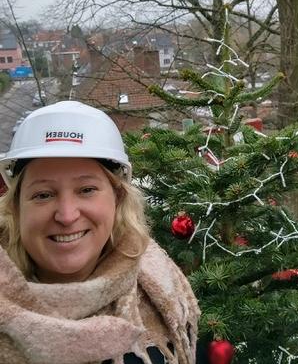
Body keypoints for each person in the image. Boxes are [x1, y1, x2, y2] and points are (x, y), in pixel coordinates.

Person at [0, 100, 200, 364]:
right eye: (43, 195)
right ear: (16, 208)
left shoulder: (166, 301)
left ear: (118, 198)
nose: (67, 216)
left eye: (86, 190)